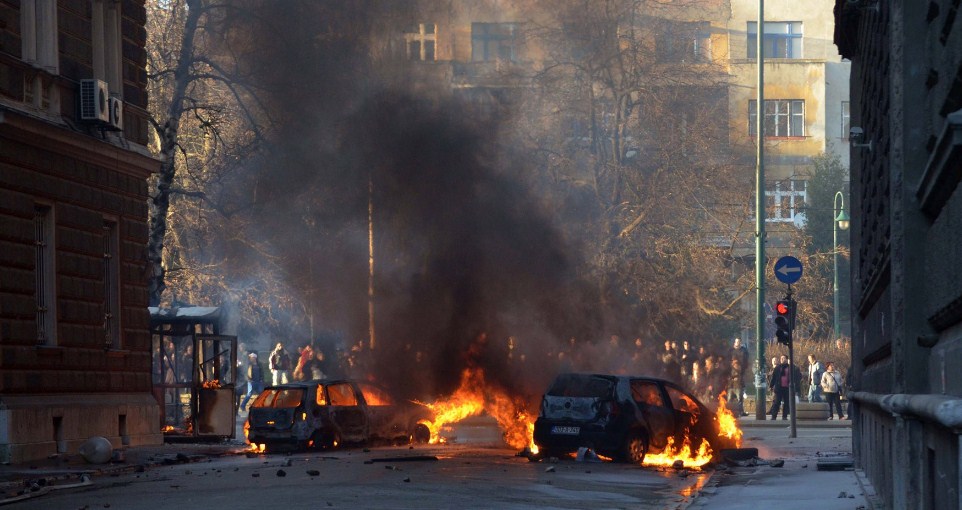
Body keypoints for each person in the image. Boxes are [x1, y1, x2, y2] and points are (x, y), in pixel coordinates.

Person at [768, 355, 791, 420]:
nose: (781, 359)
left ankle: (784, 416)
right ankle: (774, 416)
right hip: (779, 388)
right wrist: (771, 386)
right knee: (776, 402)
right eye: (781, 358)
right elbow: (774, 377)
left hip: (787, 387)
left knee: (786, 403)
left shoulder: (789, 368)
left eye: (783, 358)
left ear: (786, 359)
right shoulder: (778, 368)